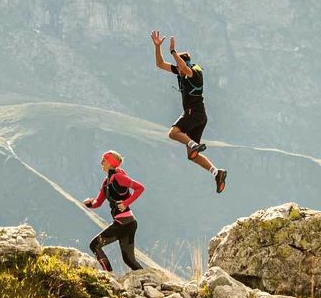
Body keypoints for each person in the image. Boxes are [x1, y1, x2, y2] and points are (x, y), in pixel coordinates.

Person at [152, 30, 227, 193]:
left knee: (173, 133)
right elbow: (160, 64)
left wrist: (173, 52)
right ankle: (217, 172)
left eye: (179, 67)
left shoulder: (194, 73)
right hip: (199, 116)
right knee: (192, 156)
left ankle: (193, 144)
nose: (177, 70)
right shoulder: (181, 72)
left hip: (194, 113)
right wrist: (157, 47)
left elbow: (185, 69)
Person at [81, 151, 145, 272]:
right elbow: (97, 203)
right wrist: (89, 204)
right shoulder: (107, 182)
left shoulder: (119, 177)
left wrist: (126, 203)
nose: (101, 163)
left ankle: (108, 277)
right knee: (129, 259)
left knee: (94, 245)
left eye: (103, 160)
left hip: (124, 223)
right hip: (127, 223)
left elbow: (140, 187)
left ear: (110, 162)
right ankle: (149, 282)